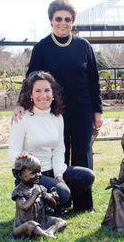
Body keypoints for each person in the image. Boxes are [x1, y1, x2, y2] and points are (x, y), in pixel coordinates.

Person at [12, 0, 103, 211]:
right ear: (51, 21)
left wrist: (98, 111)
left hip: (83, 110)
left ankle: (83, 205)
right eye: (58, 19)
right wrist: (20, 104)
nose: (63, 23)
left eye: (68, 19)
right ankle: (61, 201)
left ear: (73, 21)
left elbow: (94, 81)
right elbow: (30, 79)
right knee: (57, 155)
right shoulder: (42, 48)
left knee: (82, 155)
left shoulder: (84, 46)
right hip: (54, 111)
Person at [8, 71, 95, 213]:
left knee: (87, 176)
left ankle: (54, 206)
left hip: (52, 170)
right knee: (64, 193)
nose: (43, 95)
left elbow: (58, 149)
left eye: (47, 90)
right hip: (32, 176)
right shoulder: (22, 118)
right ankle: (45, 208)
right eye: (38, 91)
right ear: (30, 94)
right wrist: (19, 156)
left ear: (53, 93)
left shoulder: (57, 117)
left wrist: (59, 175)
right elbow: (12, 151)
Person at [11, 154, 67, 239]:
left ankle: (50, 231)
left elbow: (53, 205)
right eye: (33, 173)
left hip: (42, 220)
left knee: (61, 222)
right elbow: (23, 206)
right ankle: (45, 235)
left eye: (39, 172)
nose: (38, 175)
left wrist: (49, 198)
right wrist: (34, 195)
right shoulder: (19, 191)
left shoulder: (39, 187)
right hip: (24, 224)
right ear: (20, 175)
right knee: (31, 225)